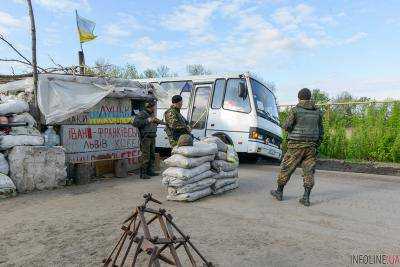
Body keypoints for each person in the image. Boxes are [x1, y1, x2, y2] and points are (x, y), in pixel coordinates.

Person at [270, 88, 324, 206]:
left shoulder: (295, 110)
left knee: (286, 168)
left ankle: (279, 192)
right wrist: (317, 143)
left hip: (295, 146)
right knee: (309, 171)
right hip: (311, 147)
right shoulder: (318, 112)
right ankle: (306, 197)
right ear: (310, 98)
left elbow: (287, 126)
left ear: (299, 98)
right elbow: (321, 131)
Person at [133, 100, 162, 179]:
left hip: (152, 136)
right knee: (146, 156)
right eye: (154, 106)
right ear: (150, 107)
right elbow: (135, 123)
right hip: (146, 137)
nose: (155, 108)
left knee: (152, 155)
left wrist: (158, 121)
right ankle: (143, 173)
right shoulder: (142, 114)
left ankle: (150, 171)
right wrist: (147, 120)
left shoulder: (151, 114)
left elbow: (153, 121)